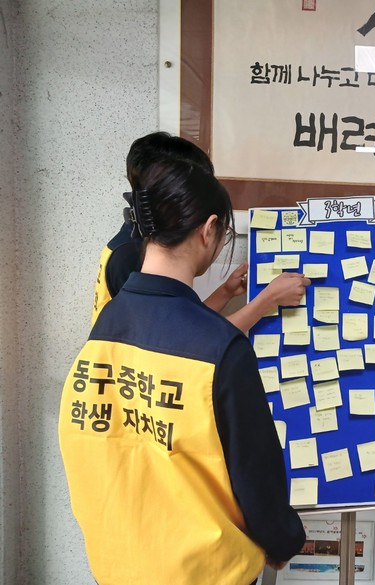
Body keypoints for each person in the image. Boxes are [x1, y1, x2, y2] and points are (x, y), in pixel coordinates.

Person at [59, 158, 305, 584]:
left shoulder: (108, 322)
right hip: (204, 571)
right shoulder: (222, 350)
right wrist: (282, 541)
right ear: (208, 229)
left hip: (116, 562)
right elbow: (256, 475)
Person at [92, 131, 309, 332]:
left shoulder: (141, 241)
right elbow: (183, 342)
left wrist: (225, 292)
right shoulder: (131, 255)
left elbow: (181, 325)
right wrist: (268, 300)